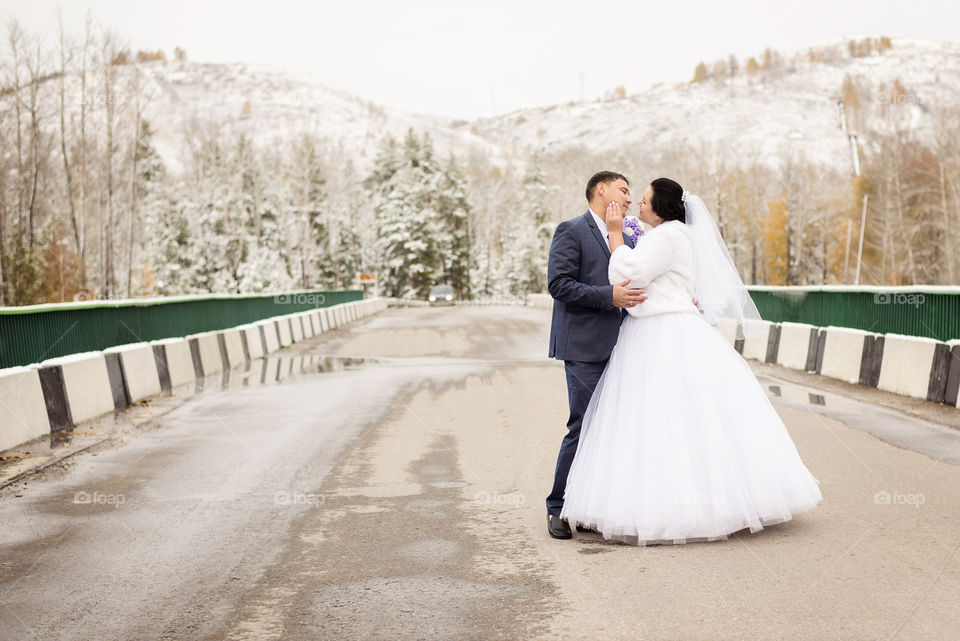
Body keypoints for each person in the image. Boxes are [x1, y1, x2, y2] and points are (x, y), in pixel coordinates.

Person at [559, 177, 822, 545]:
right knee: (670, 420)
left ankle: (679, 509)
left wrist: (616, 233)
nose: (638, 204)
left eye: (645, 200)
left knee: (668, 421)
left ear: (661, 208)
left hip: (663, 333)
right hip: (657, 329)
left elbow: (627, 274)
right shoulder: (667, 236)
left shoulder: (669, 237)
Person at [544, 171, 642, 539]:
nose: (629, 198)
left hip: (621, 346)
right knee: (582, 425)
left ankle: (586, 507)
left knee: (608, 429)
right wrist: (608, 296)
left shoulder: (626, 235)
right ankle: (557, 507)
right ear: (601, 190)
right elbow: (558, 283)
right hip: (583, 346)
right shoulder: (571, 230)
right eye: (623, 190)